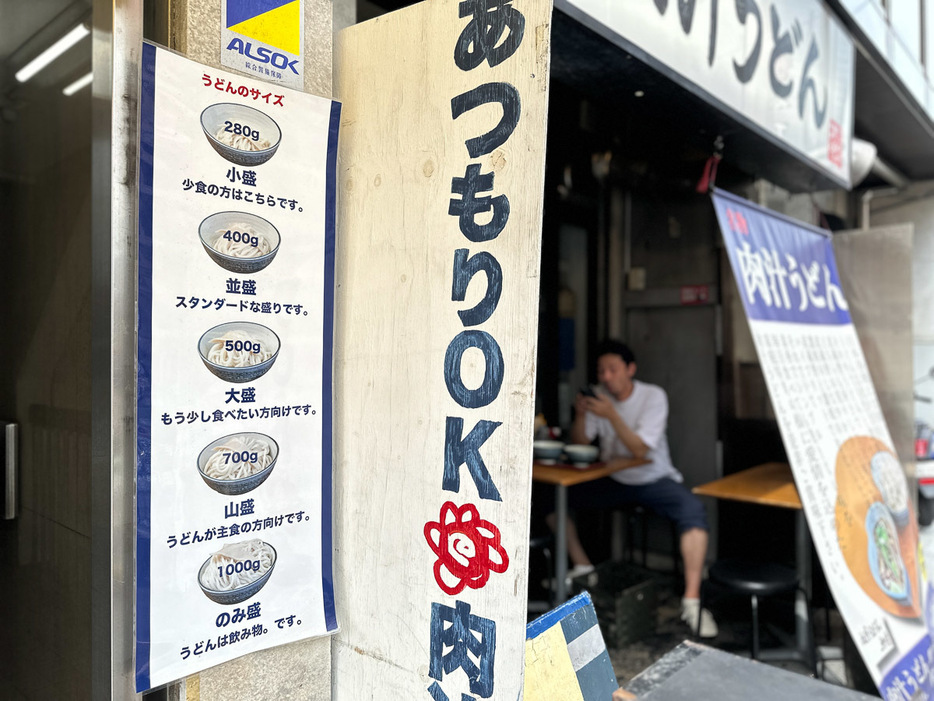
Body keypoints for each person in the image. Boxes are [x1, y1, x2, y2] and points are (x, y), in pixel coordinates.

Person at [546, 339, 718, 638]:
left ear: (631, 369)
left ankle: (692, 601)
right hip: (614, 480)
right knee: (551, 500)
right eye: (601, 371)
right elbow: (581, 444)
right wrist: (583, 414)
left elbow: (640, 451)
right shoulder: (599, 397)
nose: (606, 377)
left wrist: (612, 414)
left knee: (693, 511)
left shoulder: (653, 396)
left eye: (612, 369)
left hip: (654, 479)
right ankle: (585, 567)